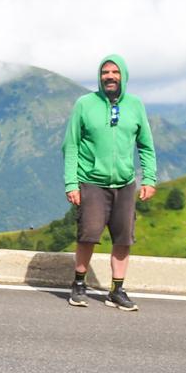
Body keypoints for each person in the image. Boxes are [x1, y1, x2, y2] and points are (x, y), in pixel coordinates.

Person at [62, 55, 156, 311]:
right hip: (91, 181)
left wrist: (149, 178)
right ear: (100, 76)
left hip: (125, 183)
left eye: (115, 72)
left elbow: (146, 146)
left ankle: (117, 290)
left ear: (123, 76)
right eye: (105, 72)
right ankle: (79, 285)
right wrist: (71, 183)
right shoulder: (85, 104)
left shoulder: (135, 105)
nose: (110, 76)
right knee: (88, 235)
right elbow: (70, 146)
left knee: (124, 239)